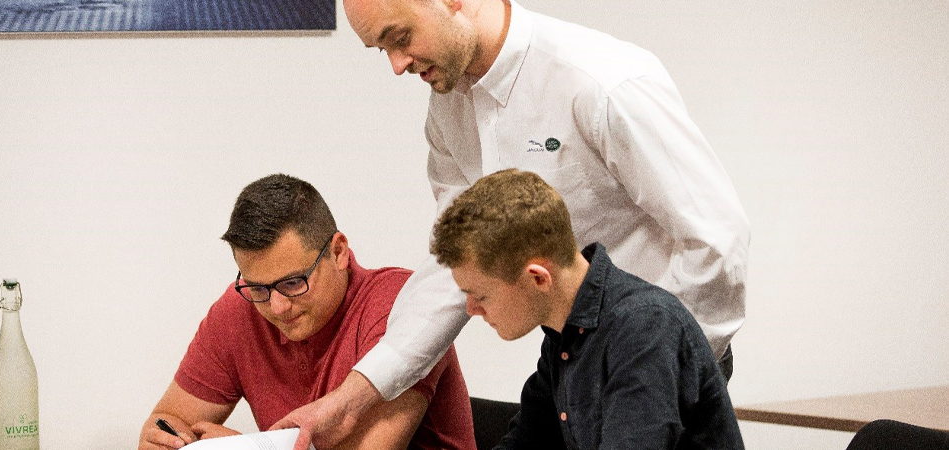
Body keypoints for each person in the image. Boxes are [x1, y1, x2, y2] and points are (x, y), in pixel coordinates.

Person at [273, 1, 751, 448]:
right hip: (572, 350)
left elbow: (716, 237)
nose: (397, 64)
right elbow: (456, 265)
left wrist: (658, 356)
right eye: (382, 49)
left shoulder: (598, 81)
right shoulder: (449, 111)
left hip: (655, 357)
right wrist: (347, 403)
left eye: (400, 38)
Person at [137, 174, 476, 450]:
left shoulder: (403, 306)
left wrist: (250, 449)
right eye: (258, 288)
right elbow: (168, 419)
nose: (277, 306)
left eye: (294, 282)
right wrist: (165, 438)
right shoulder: (240, 310)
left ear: (339, 251)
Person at [432, 169, 746, 449]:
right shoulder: (563, 337)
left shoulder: (645, 329)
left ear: (537, 278)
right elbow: (526, 441)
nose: (472, 309)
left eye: (480, 295)